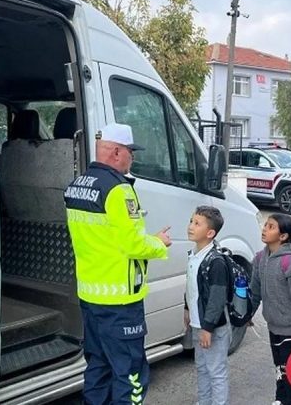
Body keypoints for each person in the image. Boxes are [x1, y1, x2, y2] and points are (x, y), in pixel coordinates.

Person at [64, 122, 172, 405]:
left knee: (98, 367)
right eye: (129, 152)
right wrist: (159, 242)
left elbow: (105, 238)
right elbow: (133, 244)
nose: (132, 158)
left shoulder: (77, 185)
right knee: (130, 374)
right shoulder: (118, 190)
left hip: (90, 294)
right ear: (114, 152)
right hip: (120, 301)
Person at [250, 214, 291, 405]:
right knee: (279, 367)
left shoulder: (290, 262)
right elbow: (255, 290)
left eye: (271, 227)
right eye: (265, 225)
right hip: (273, 325)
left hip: (290, 328)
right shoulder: (260, 258)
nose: (264, 229)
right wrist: (248, 313)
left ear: (283, 236)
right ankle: (280, 399)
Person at [184, 206, 231, 405]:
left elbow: (217, 298)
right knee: (202, 367)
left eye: (197, 223)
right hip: (198, 323)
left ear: (210, 233)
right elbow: (191, 286)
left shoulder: (216, 261)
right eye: (191, 221)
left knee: (216, 371)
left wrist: (208, 327)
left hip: (212, 326)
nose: (190, 226)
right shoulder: (194, 254)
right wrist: (187, 309)